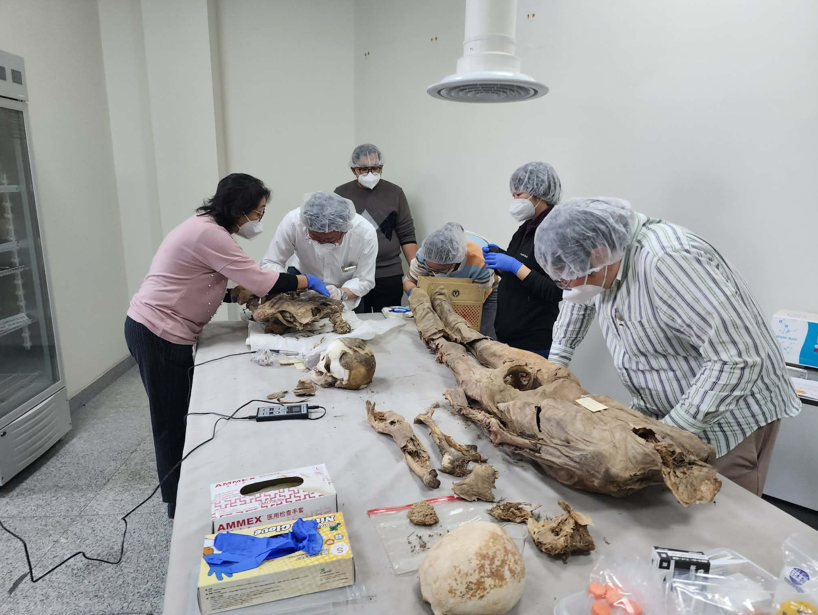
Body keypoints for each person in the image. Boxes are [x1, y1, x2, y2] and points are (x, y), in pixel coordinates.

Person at [535, 197, 801, 495]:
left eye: (574, 278)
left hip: (729, 414)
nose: (571, 288)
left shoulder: (668, 261)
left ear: (600, 253)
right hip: (668, 408)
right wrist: (554, 367)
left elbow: (737, 357)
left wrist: (671, 434)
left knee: (721, 510)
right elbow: (578, 300)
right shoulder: (602, 263)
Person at [125, 174, 330, 519]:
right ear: (238, 210)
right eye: (258, 212)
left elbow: (198, 280)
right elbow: (260, 280)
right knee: (171, 419)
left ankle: (185, 490)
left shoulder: (206, 228)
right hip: (157, 331)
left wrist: (236, 295)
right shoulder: (209, 234)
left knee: (181, 412)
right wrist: (306, 280)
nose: (259, 220)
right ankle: (179, 504)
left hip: (164, 329)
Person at [482, 162, 563, 358]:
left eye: (519, 195)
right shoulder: (526, 227)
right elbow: (523, 269)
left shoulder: (554, 231)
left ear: (539, 194)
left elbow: (554, 290)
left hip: (534, 340)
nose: (514, 201)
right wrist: (500, 260)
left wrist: (513, 264)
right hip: (508, 335)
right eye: (513, 195)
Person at [335, 144, 418, 313]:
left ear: (381, 167)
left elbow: (407, 235)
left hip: (388, 273)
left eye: (375, 168)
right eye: (364, 169)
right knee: (354, 321)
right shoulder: (341, 194)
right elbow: (335, 235)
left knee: (390, 321)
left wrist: (417, 274)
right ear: (354, 170)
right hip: (353, 276)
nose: (370, 173)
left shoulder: (395, 193)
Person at [261, 192, 377, 309]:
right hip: (302, 281)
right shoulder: (294, 222)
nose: (322, 244)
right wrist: (288, 287)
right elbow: (272, 262)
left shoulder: (365, 234)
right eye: (315, 238)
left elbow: (364, 280)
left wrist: (341, 293)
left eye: (330, 240)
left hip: (346, 292)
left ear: (345, 231)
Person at [404, 222, 498, 338]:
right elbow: (409, 282)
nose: (435, 273)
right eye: (430, 269)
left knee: (480, 333)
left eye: (441, 270)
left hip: (482, 291)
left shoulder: (480, 260)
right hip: (445, 288)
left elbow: (475, 300)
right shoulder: (425, 253)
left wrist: (452, 314)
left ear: (456, 261)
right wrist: (417, 296)